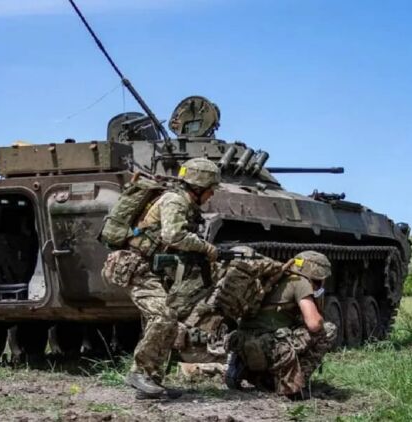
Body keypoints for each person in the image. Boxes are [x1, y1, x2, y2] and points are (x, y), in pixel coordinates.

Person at [101, 158, 221, 399]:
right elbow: (173, 235)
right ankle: (140, 373)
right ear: (198, 187)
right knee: (163, 316)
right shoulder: (175, 200)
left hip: (149, 268)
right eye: (210, 190)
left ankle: (151, 381)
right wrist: (206, 248)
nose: (211, 195)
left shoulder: (185, 203)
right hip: (134, 266)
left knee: (167, 320)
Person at [224, 250, 336, 398]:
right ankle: (294, 383)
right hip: (270, 346)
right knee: (327, 329)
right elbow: (314, 324)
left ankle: (244, 367)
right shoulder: (300, 282)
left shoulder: (273, 278)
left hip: (241, 341)